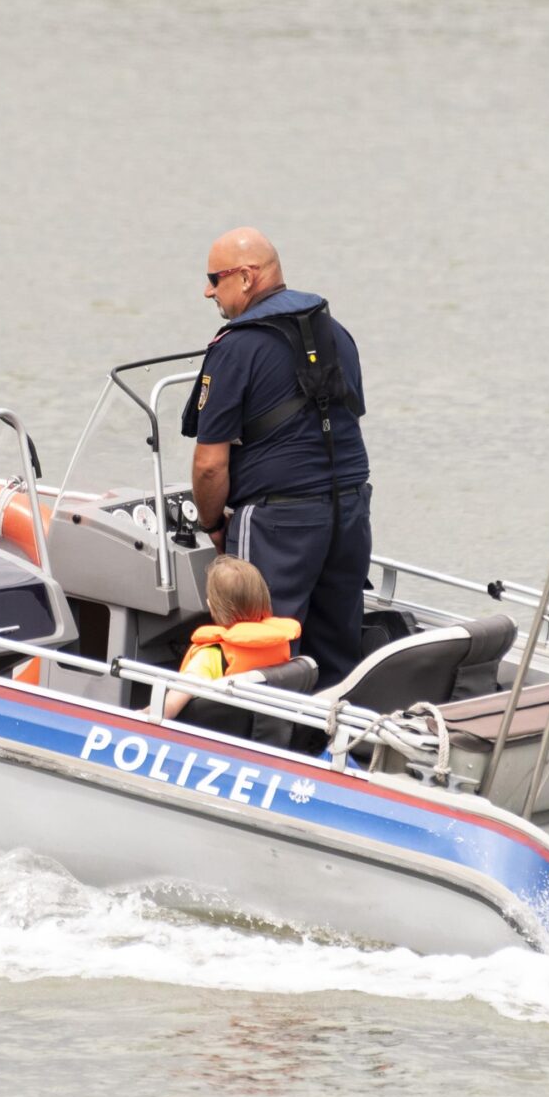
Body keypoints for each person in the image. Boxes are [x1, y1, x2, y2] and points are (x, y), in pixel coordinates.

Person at [178, 227, 372, 726]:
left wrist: (212, 524)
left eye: (213, 279)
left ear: (246, 277)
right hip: (349, 509)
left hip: (277, 520)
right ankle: (332, 745)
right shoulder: (338, 333)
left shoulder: (235, 348)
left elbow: (209, 464)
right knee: (336, 642)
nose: (207, 292)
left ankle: (262, 747)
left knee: (260, 643)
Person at [163, 557, 299, 733]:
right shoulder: (279, 644)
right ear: (265, 599)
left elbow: (170, 707)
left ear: (210, 606)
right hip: (260, 734)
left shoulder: (211, 655)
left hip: (213, 736)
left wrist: (143, 714)